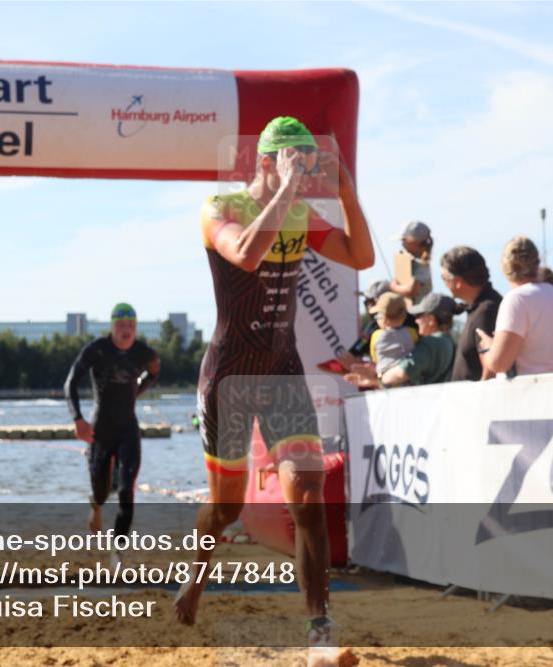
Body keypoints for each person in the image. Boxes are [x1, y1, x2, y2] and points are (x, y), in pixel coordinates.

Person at [180, 115, 373, 660]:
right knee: (226, 509)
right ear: (265, 161)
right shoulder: (218, 209)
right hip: (230, 376)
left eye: (310, 164)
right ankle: (196, 575)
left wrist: (347, 196)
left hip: (283, 370)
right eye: (296, 162)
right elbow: (244, 252)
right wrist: (288, 191)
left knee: (308, 500)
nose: (305, 173)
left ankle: (319, 630)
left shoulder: (302, 213)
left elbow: (361, 257)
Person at [64, 303, 161, 537]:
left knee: (127, 491)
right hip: (100, 429)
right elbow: (70, 384)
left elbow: (155, 371)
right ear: (112, 327)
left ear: (136, 328)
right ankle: (95, 506)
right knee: (102, 491)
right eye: (121, 325)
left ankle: (117, 552)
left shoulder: (143, 352)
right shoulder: (97, 349)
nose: (126, 330)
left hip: (128, 428)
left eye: (131, 325)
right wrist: (78, 419)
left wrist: (135, 392)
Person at [477, 236, 553, 377]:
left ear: (505, 266)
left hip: (531, 392)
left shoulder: (517, 299)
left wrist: (488, 348)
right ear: (537, 263)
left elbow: (499, 364)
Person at [345, 293, 457, 389]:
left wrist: (376, 378)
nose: (416, 320)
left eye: (419, 316)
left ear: (431, 320)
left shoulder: (430, 344)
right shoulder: (448, 341)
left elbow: (400, 374)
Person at [440, 246, 502, 382]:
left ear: (458, 282)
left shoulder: (486, 311)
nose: (443, 283)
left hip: (477, 400)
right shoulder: (481, 308)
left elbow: (490, 369)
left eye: (444, 278)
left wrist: (478, 399)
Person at [327, 280, 416, 373]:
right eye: (366, 303)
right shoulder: (415, 321)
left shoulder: (377, 328)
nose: (369, 308)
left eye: (370, 302)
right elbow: (355, 351)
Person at [367, 292, 416, 377]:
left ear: (384, 318)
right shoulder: (412, 333)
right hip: (406, 378)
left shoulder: (376, 336)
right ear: (404, 316)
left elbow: (375, 359)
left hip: (384, 378)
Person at [389, 221, 433, 305]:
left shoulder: (422, 264)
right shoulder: (418, 262)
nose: (402, 243)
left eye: (404, 240)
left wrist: (394, 287)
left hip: (419, 312)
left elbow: (412, 290)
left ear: (414, 241)